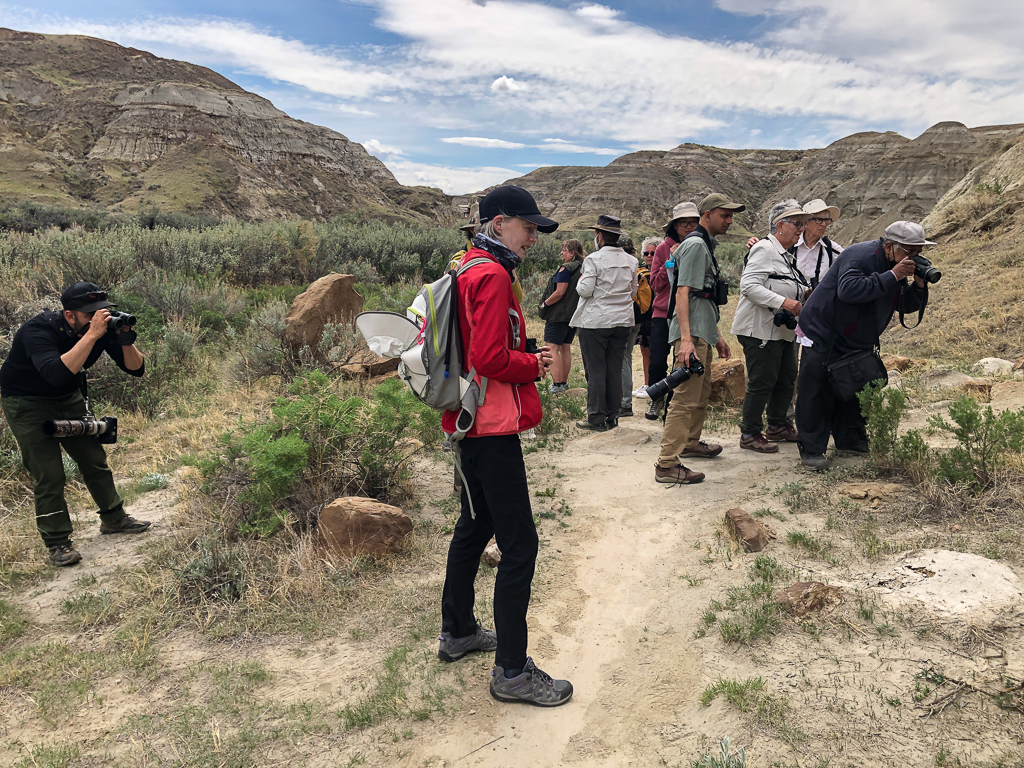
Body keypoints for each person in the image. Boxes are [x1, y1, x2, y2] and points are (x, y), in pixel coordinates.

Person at [438, 185, 573, 707]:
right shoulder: (493, 275)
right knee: (520, 547)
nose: (534, 237)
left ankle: (459, 632)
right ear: (498, 223)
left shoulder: (466, 265)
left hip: (466, 420)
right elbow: (492, 357)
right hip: (491, 426)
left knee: (474, 528)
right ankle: (512, 672)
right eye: (528, 227)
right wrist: (532, 365)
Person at [0, 282, 150, 567]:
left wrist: (126, 340)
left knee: (93, 459)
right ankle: (57, 543)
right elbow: (55, 373)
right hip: (27, 403)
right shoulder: (37, 331)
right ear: (70, 316)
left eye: (102, 312)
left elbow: (136, 369)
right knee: (49, 473)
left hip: (68, 397)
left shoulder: (99, 330)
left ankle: (114, 519)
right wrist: (93, 335)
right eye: (90, 314)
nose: (98, 318)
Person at [795, 221, 933, 470]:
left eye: (918, 253)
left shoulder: (895, 265)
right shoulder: (861, 256)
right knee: (816, 390)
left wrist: (919, 285)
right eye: (909, 252)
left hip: (856, 337)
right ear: (889, 246)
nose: (913, 258)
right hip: (824, 331)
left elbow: (904, 304)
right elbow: (848, 290)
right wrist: (894, 275)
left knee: (853, 387)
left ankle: (849, 440)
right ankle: (812, 449)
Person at [654, 193, 741, 485]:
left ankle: (690, 443)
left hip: (702, 331)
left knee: (700, 395)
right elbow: (683, 293)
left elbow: (704, 299)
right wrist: (687, 340)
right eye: (724, 215)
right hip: (691, 334)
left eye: (731, 216)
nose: (729, 221)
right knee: (684, 398)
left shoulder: (703, 245)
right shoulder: (695, 245)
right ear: (707, 215)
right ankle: (667, 464)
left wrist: (716, 337)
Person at [731, 200, 810, 453]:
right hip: (760, 329)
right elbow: (749, 286)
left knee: (786, 378)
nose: (801, 229)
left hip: (782, 332)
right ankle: (749, 432)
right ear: (779, 226)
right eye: (797, 224)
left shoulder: (786, 255)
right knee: (763, 380)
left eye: (803, 224)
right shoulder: (765, 249)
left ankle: (777, 425)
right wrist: (785, 302)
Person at [570, 215, 638, 432]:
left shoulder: (593, 260)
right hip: (623, 321)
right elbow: (634, 291)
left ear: (599, 237)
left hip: (596, 321)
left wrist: (580, 283)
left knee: (596, 370)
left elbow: (585, 290)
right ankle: (613, 415)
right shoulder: (632, 261)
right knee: (615, 368)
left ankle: (596, 416)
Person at [647, 202, 700, 420]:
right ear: (675, 225)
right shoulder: (662, 248)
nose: (689, 226)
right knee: (658, 361)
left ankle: (672, 407)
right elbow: (656, 285)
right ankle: (656, 398)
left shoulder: (699, 246)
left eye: (693, 222)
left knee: (682, 363)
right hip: (662, 314)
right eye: (684, 222)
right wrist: (670, 261)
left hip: (687, 314)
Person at [540, 238, 585, 394]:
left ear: (572, 253)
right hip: (573, 315)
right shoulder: (582, 268)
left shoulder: (565, 269)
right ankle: (563, 383)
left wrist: (545, 304)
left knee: (552, 347)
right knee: (565, 348)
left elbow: (559, 292)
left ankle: (557, 385)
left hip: (558, 315)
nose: (561, 252)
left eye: (564, 250)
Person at [626, 236, 659, 402]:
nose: (649, 256)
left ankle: (653, 384)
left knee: (655, 353)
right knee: (645, 350)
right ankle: (647, 384)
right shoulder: (640, 271)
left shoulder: (664, 271)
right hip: (644, 316)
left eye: (653, 253)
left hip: (659, 317)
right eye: (646, 253)